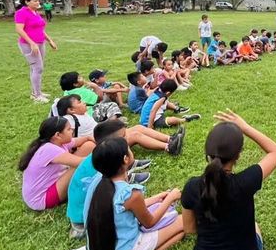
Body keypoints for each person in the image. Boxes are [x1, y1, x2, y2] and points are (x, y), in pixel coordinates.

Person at [181, 110, 276, 250]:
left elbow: (189, 229)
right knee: (255, 227)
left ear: (207, 153)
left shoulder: (191, 187)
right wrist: (245, 127)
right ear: (238, 155)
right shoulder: (245, 182)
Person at [84, 137, 186, 250]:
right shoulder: (131, 194)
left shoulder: (99, 185)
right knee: (183, 225)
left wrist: (157, 198)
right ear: (125, 159)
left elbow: (128, 207)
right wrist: (170, 198)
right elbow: (149, 222)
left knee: (177, 231)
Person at [66, 119, 156, 239]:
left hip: (79, 213)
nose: (127, 139)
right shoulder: (103, 165)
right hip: (84, 219)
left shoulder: (101, 157)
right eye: (123, 137)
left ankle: (130, 176)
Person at [56, 94, 184, 153]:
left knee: (138, 128)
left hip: (105, 138)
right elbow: (67, 140)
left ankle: (170, 138)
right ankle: (168, 147)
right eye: (79, 102)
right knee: (135, 135)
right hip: (101, 145)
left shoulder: (83, 115)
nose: (84, 103)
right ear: (71, 110)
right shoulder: (69, 119)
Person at [19, 117, 95, 211]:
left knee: (89, 145)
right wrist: (105, 151)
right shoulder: (49, 149)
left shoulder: (57, 142)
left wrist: (88, 138)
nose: (72, 130)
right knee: (79, 167)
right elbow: (82, 162)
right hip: (42, 199)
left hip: (53, 184)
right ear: (58, 135)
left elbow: (80, 141)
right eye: (68, 129)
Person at [14, 0, 57, 103]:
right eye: (35, 1)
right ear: (27, 2)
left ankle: (36, 92)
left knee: (35, 68)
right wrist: (31, 43)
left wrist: (50, 40)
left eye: (38, 0)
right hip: (28, 45)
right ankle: (37, 96)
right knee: (38, 68)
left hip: (40, 43)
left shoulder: (35, 13)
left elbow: (41, 30)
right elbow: (19, 30)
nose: (38, 3)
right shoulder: (21, 13)